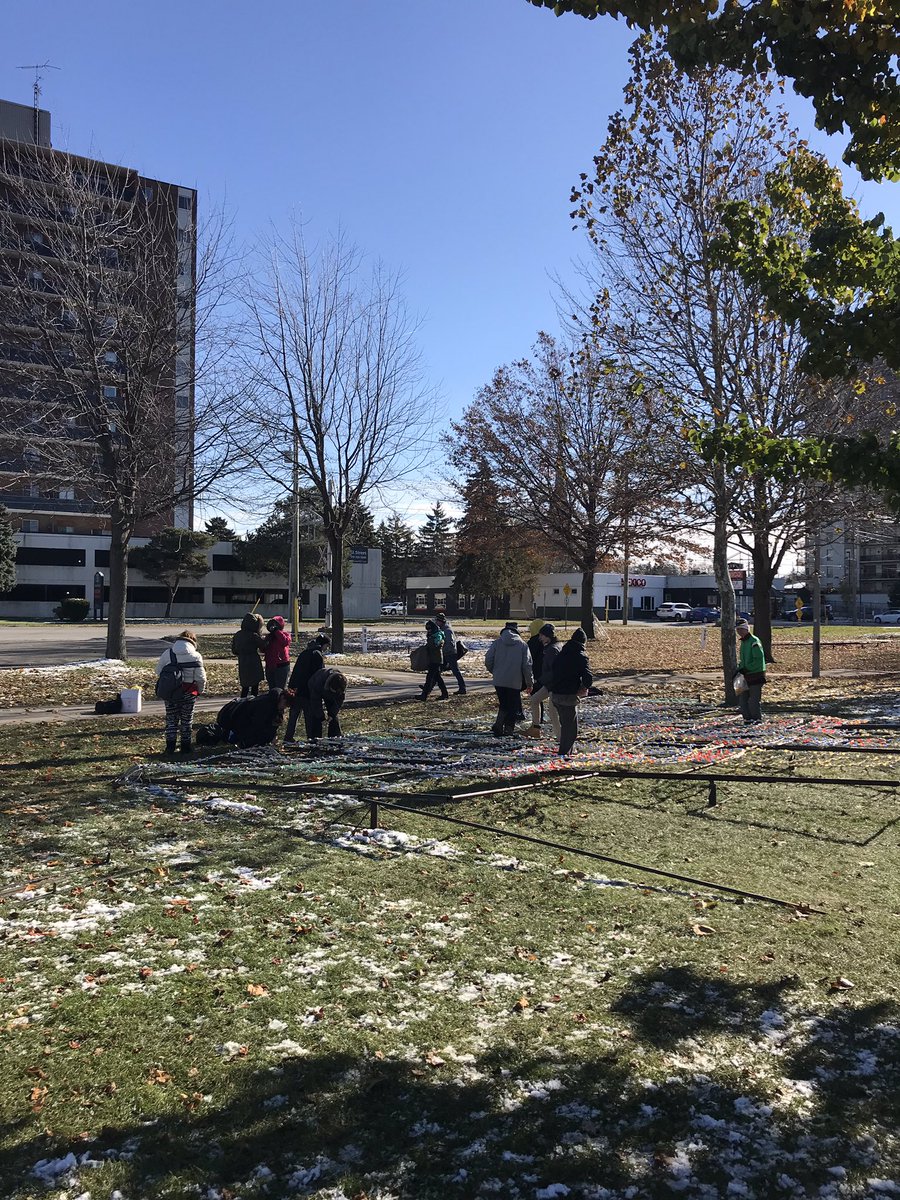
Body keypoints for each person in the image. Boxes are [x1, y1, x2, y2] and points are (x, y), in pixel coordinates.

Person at [155, 629, 206, 756]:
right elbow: (201, 678)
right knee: (186, 720)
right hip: (189, 692)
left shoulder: (168, 653)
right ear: (193, 641)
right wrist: (200, 691)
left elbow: (158, 671)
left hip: (170, 692)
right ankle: (185, 747)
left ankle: (170, 747)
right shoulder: (196, 656)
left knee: (171, 719)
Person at [484, 621, 533, 736]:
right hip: (515, 680)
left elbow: (488, 659)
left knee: (504, 703)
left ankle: (498, 725)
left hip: (499, 680)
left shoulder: (497, 643)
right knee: (513, 705)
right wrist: (529, 682)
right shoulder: (523, 645)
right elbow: (527, 665)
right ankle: (508, 728)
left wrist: (495, 671)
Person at [199, 688, 290, 749]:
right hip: (236, 720)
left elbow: (271, 724)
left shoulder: (274, 705)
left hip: (241, 721)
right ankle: (231, 737)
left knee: (265, 735)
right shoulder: (264, 705)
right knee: (259, 736)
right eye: (285, 705)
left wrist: (273, 735)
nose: (284, 708)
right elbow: (257, 725)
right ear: (282, 698)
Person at [550, 628, 593, 756]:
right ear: (583, 642)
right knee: (571, 729)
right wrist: (584, 686)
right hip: (568, 695)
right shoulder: (581, 656)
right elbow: (588, 677)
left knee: (565, 724)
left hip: (555, 694)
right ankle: (564, 753)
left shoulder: (562, 653)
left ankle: (567, 750)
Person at [285, 634, 331, 742]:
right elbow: (318, 675)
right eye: (327, 646)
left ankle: (288, 737)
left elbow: (295, 671)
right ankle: (310, 738)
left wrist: (292, 687)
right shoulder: (317, 655)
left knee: (294, 715)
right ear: (324, 644)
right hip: (307, 690)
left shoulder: (305, 653)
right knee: (308, 717)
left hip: (296, 689)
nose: (326, 649)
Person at [525, 624, 561, 742]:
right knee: (534, 699)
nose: (539, 638)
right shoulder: (550, 647)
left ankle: (560, 738)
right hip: (548, 684)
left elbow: (553, 672)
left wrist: (539, 681)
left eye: (541, 635)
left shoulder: (552, 650)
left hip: (554, 685)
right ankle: (535, 728)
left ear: (547, 636)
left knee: (553, 712)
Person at [736, 619, 767, 723]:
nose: (739, 631)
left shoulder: (754, 641)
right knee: (743, 700)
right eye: (738, 629)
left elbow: (758, 660)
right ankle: (747, 719)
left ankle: (756, 719)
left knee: (753, 700)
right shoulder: (743, 642)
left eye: (741, 629)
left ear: (746, 629)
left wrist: (747, 668)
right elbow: (743, 660)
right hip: (745, 675)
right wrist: (739, 669)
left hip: (756, 675)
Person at [230, 612, 265, 698]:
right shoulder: (253, 635)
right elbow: (263, 645)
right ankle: (252, 703)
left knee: (245, 687)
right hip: (254, 662)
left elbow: (234, 650)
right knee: (254, 686)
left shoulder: (238, 635)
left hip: (242, 662)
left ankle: (242, 704)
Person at [307, 667, 348, 740]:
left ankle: (335, 737)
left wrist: (332, 715)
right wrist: (321, 717)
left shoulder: (341, 685)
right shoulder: (319, 682)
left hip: (328, 691)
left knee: (333, 718)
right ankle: (315, 738)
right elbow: (315, 701)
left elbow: (338, 702)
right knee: (316, 716)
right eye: (333, 691)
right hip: (315, 687)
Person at [435, 611, 466, 694]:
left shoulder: (447, 631)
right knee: (438, 671)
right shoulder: (443, 629)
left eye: (437, 621)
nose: (436, 622)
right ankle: (429, 687)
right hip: (446, 653)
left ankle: (462, 688)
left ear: (441, 621)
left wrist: (443, 651)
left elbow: (450, 644)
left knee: (455, 671)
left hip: (450, 653)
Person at [419, 618, 450, 701]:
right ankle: (445, 693)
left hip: (436, 660)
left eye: (429, 629)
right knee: (438, 678)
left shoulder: (438, 636)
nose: (428, 631)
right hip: (434, 659)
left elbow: (435, 646)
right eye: (427, 629)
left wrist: (429, 644)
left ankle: (424, 695)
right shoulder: (434, 635)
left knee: (429, 678)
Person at [263, 615, 292, 690]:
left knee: (280, 689)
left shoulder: (285, 634)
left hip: (282, 665)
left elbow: (285, 642)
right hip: (270, 666)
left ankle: (281, 701)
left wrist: (277, 631)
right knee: (272, 689)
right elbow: (263, 649)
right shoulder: (269, 637)